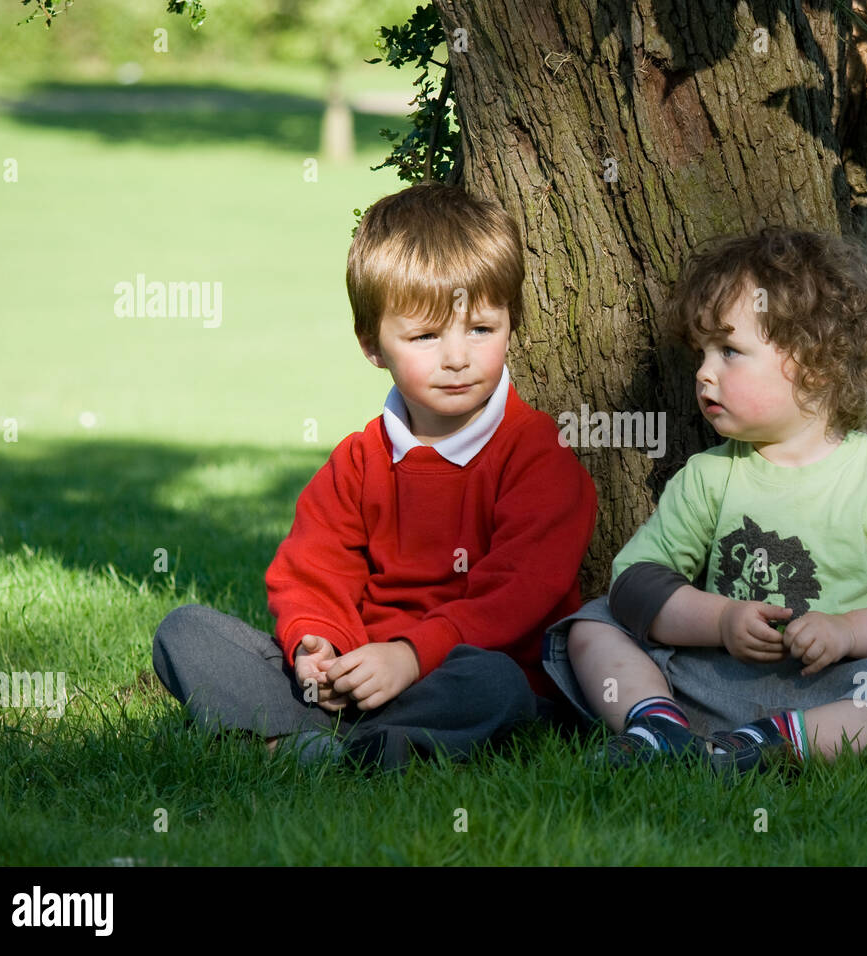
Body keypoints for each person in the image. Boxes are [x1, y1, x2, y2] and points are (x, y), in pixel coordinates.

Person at [153, 183, 598, 771]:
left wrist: (411, 657)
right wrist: (318, 645)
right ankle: (309, 741)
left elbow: (518, 594)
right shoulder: (360, 460)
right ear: (372, 345)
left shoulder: (539, 455)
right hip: (356, 677)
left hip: (459, 673)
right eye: (425, 336)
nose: (458, 356)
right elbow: (315, 568)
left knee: (496, 686)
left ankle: (314, 747)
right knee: (185, 631)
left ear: (511, 323)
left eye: (481, 329)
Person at [542, 226, 867, 773]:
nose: (705, 373)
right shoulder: (709, 478)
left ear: (815, 362)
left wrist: (847, 632)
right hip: (710, 683)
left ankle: (775, 746)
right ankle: (658, 728)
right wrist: (722, 620)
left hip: (839, 691)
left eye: (730, 351)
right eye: (702, 354)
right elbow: (637, 583)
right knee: (592, 625)